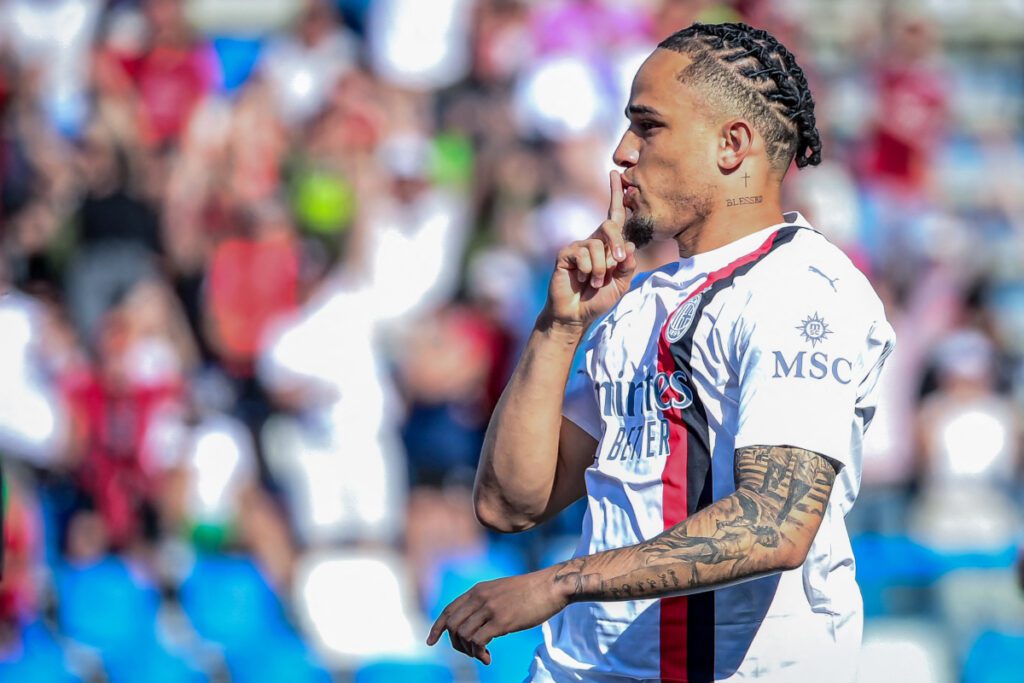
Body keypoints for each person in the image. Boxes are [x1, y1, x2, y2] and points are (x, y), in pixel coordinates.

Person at [426, 22, 896, 682]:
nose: (622, 152)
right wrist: (557, 330)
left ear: (732, 144)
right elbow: (510, 503)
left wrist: (559, 583)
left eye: (647, 127)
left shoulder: (803, 289)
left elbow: (774, 520)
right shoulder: (638, 300)